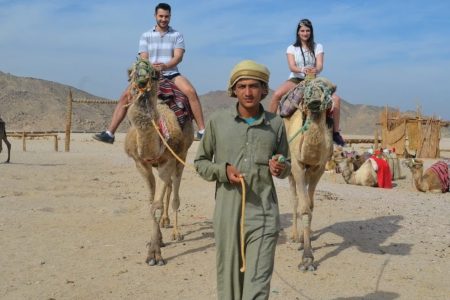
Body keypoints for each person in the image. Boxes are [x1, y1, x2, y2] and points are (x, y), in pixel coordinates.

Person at [194, 60, 291, 300]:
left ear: (263, 89)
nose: (248, 92)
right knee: (229, 286)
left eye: (254, 86)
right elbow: (201, 163)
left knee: (257, 286)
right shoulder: (217, 121)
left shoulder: (276, 124)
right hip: (228, 213)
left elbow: (286, 164)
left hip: (264, 213)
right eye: (242, 86)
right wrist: (223, 171)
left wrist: (280, 166)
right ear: (234, 90)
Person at [94, 2, 205, 144]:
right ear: (155, 16)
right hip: (150, 75)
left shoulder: (177, 35)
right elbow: (143, 57)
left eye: (166, 16)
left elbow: (178, 57)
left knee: (190, 91)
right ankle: (110, 133)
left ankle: (202, 130)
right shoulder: (146, 36)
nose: (163, 19)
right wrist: (151, 68)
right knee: (125, 96)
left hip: (171, 73)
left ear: (170, 17)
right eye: (161, 16)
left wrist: (164, 66)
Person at [268, 18, 345, 146]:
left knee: (336, 99)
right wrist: (302, 69)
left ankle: (336, 133)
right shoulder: (292, 48)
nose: (305, 33)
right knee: (276, 95)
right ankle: (270, 126)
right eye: (302, 30)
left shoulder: (317, 46)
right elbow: (292, 66)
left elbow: (320, 65)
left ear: (311, 32)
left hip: (313, 79)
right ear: (298, 32)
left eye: (307, 30)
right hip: (296, 78)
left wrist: (315, 69)